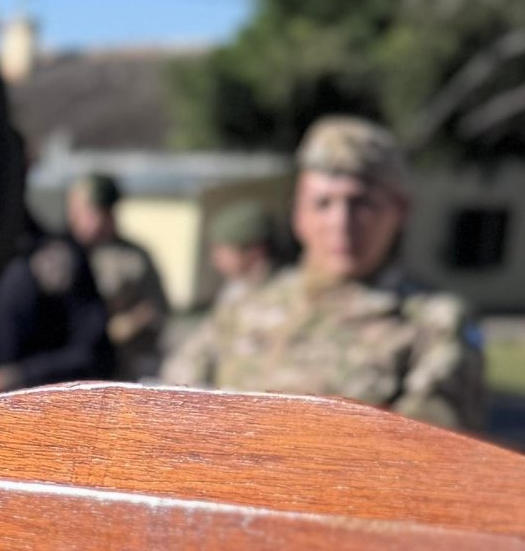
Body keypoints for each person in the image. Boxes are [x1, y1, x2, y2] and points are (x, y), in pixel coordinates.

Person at [164, 117, 486, 430]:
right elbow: (172, 404)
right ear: (298, 214)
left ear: (399, 212)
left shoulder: (433, 323)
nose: (341, 224)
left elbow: (430, 447)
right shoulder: (244, 304)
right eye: (322, 203)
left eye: (362, 204)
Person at [0, 215, 115, 393]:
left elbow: (91, 354)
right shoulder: (13, 258)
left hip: (29, 390)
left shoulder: (63, 263)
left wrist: (17, 375)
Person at [65, 171, 170, 377]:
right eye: (87, 212)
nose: (94, 222)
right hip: (63, 363)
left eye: (102, 213)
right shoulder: (58, 253)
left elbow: (157, 307)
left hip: (116, 364)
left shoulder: (132, 258)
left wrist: (123, 326)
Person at [204, 200, 283, 302]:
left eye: (223, 251)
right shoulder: (233, 290)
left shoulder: (284, 289)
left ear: (255, 251)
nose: (215, 259)